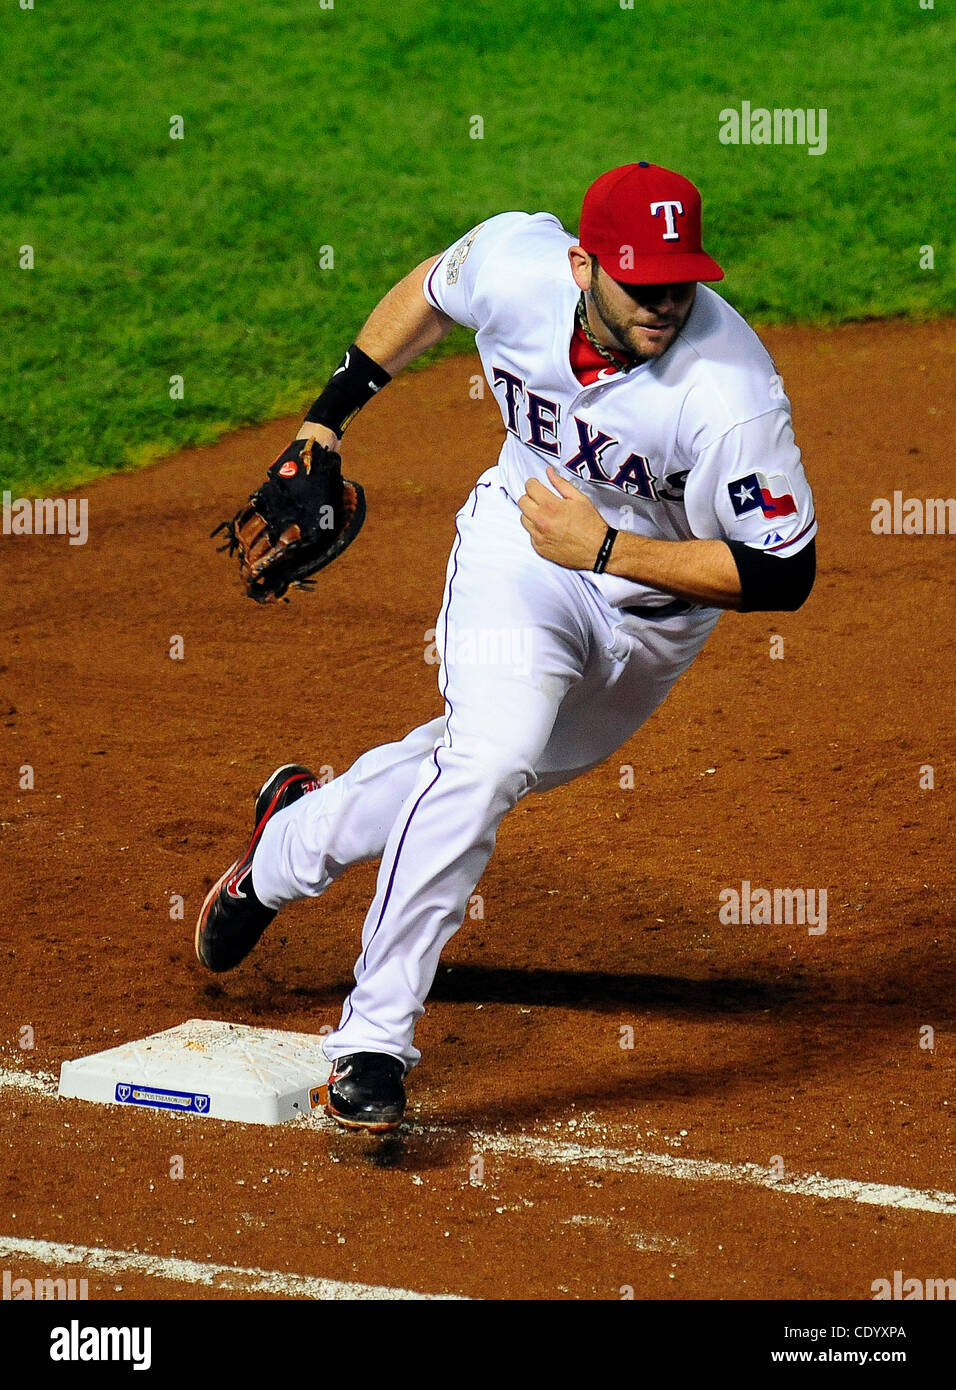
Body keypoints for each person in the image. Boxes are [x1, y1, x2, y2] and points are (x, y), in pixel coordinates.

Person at [195, 162, 817, 1132]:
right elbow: (431, 290)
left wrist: (608, 548)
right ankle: (372, 1039)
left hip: (651, 615)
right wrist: (329, 415)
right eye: (638, 280)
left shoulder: (728, 393)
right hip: (519, 554)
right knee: (487, 758)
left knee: (483, 768)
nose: (662, 301)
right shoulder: (518, 267)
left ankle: (283, 846)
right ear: (581, 265)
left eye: (679, 280)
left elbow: (783, 572)